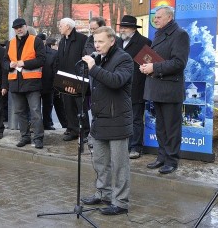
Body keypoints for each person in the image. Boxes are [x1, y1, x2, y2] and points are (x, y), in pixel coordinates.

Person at [79, 26, 133, 215]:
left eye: (101, 41)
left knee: (119, 165)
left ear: (112, 41)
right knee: (101, 161)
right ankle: (103, 194)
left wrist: (93, 68)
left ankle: (120, 202)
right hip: (100, 119)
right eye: (95, 41)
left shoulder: (124, 59)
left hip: (117, 119)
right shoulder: (99, 59)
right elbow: (96, 88)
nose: (97, 45)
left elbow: (116, 81)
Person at [141, 6, 190, 174]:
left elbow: (179, 63)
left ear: (169, 17)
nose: (155, 19)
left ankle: (172, 160)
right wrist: (147, 66)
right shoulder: (159, 33)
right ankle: (162, 157)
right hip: (157, 88)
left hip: (170, 90)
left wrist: (154, 67)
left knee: (172, 128)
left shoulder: (180, 35)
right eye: (155, 17)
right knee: (161, 127)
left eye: (159, 17)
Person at [4, 18, 45, 149]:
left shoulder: (35, 40)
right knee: (20, 112)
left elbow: (42, 59)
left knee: (35, 112)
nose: (19, 30)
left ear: (26, 26)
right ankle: (25, 136)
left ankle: (38, 138)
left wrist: (24, 63)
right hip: (15, 83)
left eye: (21, 27)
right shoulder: (10, 43)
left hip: (32, 83)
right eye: (16, 28)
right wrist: (9, 65)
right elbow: (4, 62)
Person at [116, 15, 152, 159]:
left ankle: (136, 147)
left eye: (125, 27)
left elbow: (147, 66)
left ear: (133, 29)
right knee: (122, 118)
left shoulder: (144, 42)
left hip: (136, 87)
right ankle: (124, 145)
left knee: (136, 119)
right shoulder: (118, 42)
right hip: (119, 86)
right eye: (121, 26)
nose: (122, 29)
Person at [56, 17, 90, 141]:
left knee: (80, 106)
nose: (59, 27)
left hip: (77, 78)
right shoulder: (62, 41)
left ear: (68, 27)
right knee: (68, 105)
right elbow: (59, 58)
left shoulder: (82, 39)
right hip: (64, 78)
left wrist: (82, 76)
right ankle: (73, 129)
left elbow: (85, 59)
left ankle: (85, 131)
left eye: (61, 25)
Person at [46, 37, 68, 130]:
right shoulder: (55, 54)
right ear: (52, 45)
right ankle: (65, 124)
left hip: (46, 85)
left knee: (48, 106)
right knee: (60, 106)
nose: (57, 47)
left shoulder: (43, 54)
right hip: (55, 85)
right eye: (56, 45)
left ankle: (48, 123)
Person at [38, 33, 57, 130]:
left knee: (48, 105)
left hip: (48, 84)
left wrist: (54, 84)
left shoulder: (53, 53)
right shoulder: (33, 52)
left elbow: (55, 70)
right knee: (35, 107)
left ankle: (47, 123)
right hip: (35, 84)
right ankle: (37, 125)